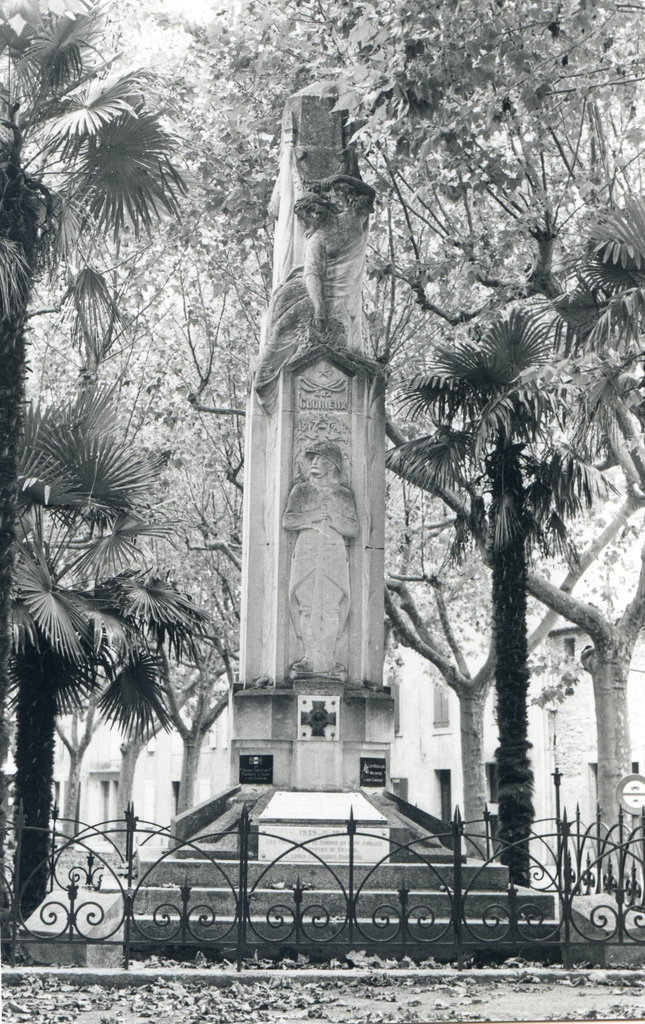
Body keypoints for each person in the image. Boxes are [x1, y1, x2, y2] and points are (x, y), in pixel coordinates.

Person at [283, 442, 359, 678]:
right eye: (312, 459)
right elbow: (288, 520)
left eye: (320, 459)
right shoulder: (301, 491)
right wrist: (313, 516)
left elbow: (353, 528)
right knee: (306, 607)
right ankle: (308, 658)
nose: (314, 464)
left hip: (334, 554)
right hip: (306, 551)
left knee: (332, 608)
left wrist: (335, 518)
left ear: (332, 464)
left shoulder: (343, 494)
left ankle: (328, 658)